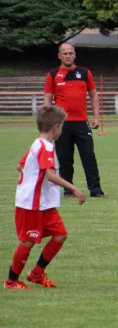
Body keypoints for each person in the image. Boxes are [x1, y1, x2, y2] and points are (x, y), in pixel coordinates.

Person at [4, 105, 86, 290]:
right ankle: (11, 281)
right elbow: (49, 174)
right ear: (56, 127)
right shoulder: (46, 147)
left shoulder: (37, 144)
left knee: (60, 235)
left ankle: (36, 273)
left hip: (44, 204)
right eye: (62, 125)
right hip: (32, 203)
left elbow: (20, 165)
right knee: (28, 240)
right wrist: (74, 188)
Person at [43, 43, 106, 198]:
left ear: (75, 55)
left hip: (82, 123)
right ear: (59, 56)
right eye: (65, 53)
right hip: (61, 124)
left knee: (89, 156)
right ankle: (68, 190)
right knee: (65, 159)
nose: (68, 56)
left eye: (71, 53)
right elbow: (48, 99)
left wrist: (96, 117)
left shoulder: (85, 73)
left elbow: (93, 94)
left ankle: (96, 190)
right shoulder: (52, 75)